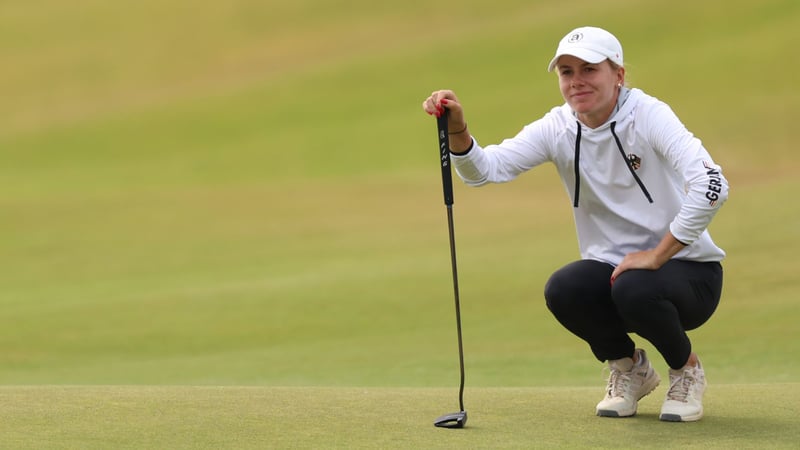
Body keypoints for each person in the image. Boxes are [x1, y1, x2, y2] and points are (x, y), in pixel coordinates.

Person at [422, 26, 727, 422]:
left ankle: (686, 370)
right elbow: (485, 171)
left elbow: (712, 185)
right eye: (566, 72)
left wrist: (657, 254)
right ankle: (629, 368)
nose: (576, 81)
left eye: (589, 69)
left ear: (617, 74)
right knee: (565, 288)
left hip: (691, 275)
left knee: (634, 287)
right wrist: (457, 129)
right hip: (617, 275)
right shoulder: (559, 126)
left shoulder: (649, 115)